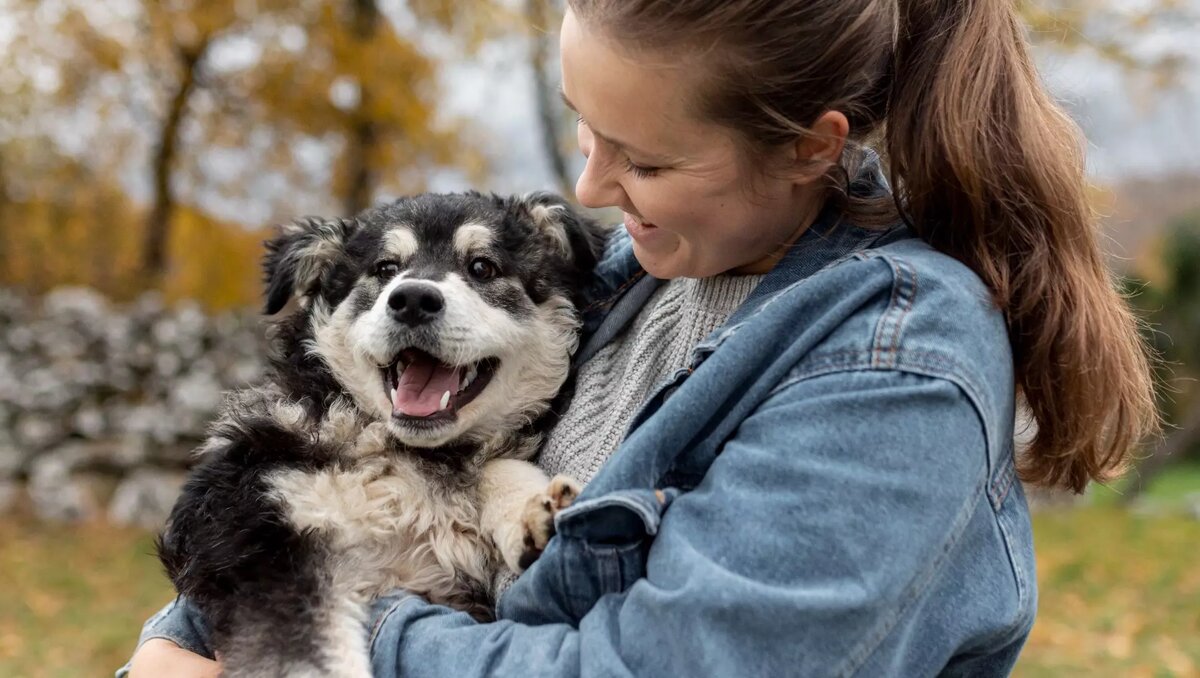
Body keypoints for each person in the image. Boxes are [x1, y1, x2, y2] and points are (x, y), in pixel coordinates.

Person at [120, 1, 1158, 675]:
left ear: (809, 150)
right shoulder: (621, 279)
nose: (588, 191)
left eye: (645, 162)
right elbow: (344, 494)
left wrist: (350, 624)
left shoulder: (894, 367)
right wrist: (193, 632)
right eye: (584, 128)